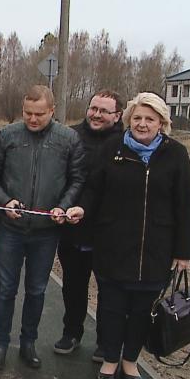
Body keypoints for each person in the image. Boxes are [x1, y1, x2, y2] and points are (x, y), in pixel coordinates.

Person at [68, 92, 190, 379]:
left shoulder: (175, 154)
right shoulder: (113, 148)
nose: (142, 124)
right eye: (137, 118)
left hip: (156, 250)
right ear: (127, 120)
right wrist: (81, 208)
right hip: (113, 244)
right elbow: (93, 190)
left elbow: (185, 206)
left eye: (149, 119)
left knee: (142, 310)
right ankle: (111, 359)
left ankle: (130, 361)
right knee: (111, 306)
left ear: (162, 123)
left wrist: (184, 252)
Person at [0, 85, 85, 371]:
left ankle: (28, 343)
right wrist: (4, 201)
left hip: (46, 230)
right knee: (6, 289)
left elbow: (77, 179)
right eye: (28, 113)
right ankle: (0, 344)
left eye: (39, 114)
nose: (33, 119)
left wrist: (63, 206)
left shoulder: (68, 139)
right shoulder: (8, 136)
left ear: (52, 111)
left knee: (37, 290)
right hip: (10, 228)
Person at [53, 90, 124, 361]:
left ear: (117, 116)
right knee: (73, 286)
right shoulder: (71, 136)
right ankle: (72, 332)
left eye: (104, 111)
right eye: (93, 108)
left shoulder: (125, 143)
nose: (96, 114)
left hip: (109, 234)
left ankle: (106, 342)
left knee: (109, 292)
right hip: (73, 231)